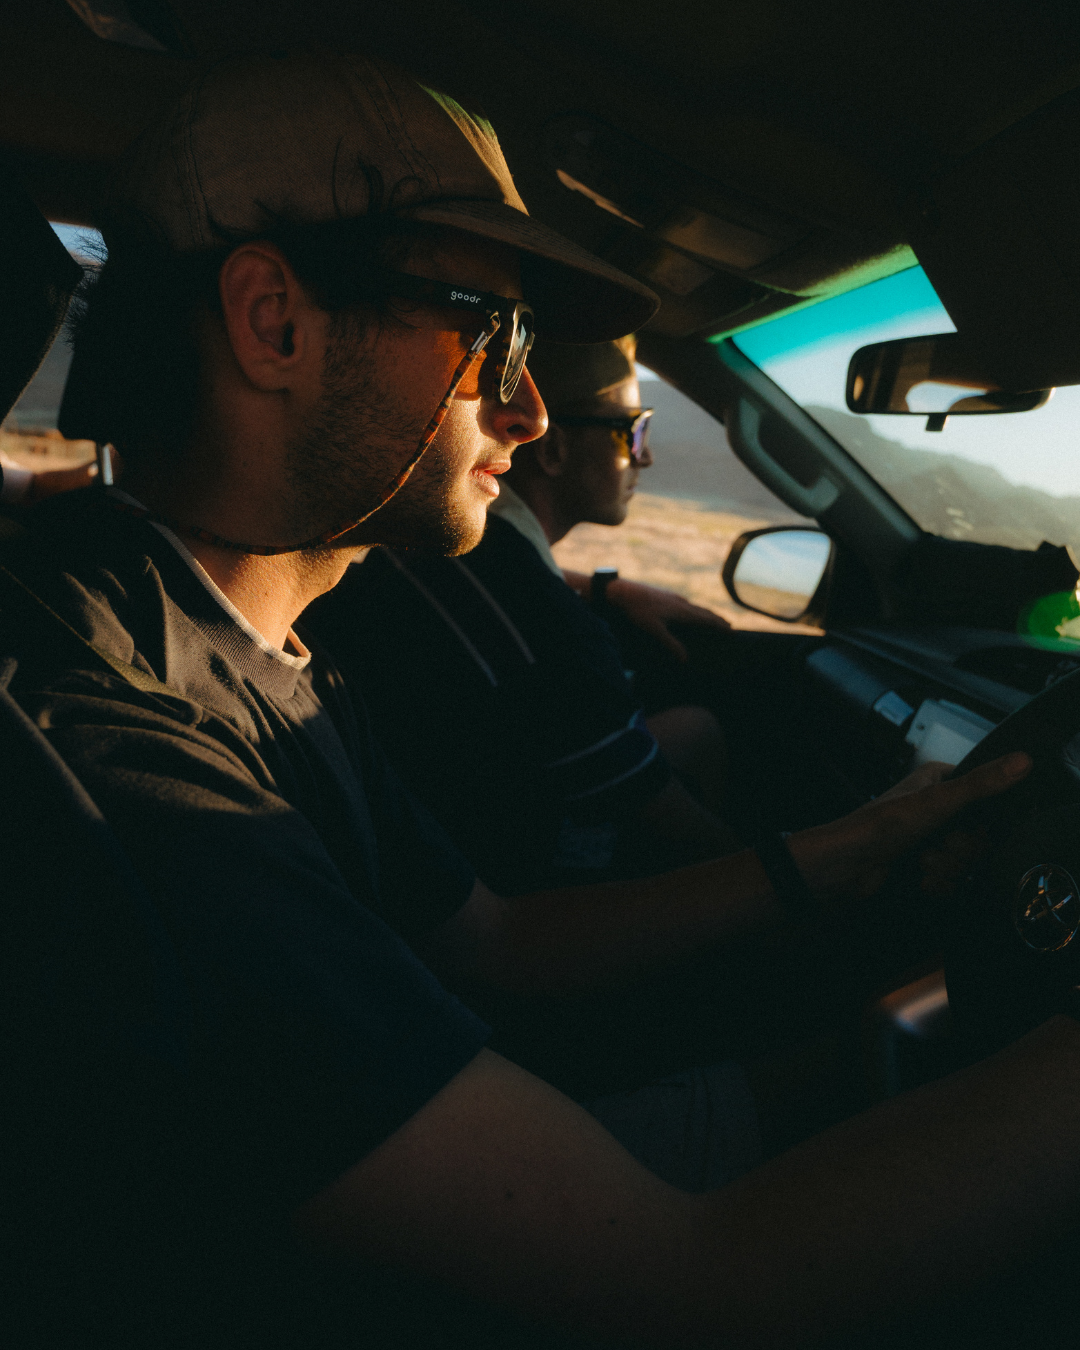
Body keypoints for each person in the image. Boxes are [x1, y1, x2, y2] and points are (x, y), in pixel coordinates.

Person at [6, 49, 1080, 1350]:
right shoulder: (116, 764)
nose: (523, 408)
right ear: (273, 322)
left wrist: (851, 851)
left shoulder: (254, 642)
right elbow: (685, 1285)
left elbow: (497, 943)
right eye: (490, 329)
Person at [306, 334, 739, 898]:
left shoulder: (444, 550)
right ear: (553, 448)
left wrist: (605, 589)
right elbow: (683, 833)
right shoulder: (552, 632)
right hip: (518, 883)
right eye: (632, 430)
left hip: (440, 819)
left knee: (697, 731)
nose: (646, 455)